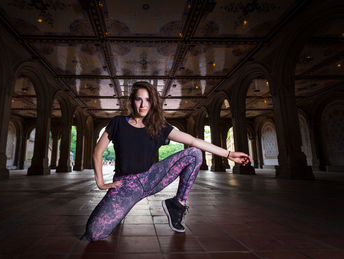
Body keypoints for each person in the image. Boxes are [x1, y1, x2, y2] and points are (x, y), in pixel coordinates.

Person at [84, 81, 250, 241]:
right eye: (139, 99)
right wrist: (100, 183)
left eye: (148, 100)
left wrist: (229, 154)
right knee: (94, 233)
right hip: (126, 186)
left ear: (153, 103)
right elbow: (97, 152)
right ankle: (121, 210)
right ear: (132, 101)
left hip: (151, 178)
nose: (143, 105)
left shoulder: (158, 126)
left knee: (194, 154)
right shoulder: (117, 123)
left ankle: (177, 205)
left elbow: (193, 141)